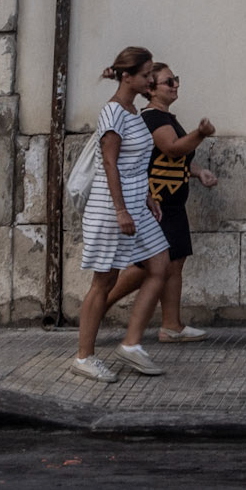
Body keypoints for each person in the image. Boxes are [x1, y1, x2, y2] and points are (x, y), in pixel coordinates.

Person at [73, 46, 172, 382]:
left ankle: (131, 345)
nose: (150, 81)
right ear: (127, 76)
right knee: (103, 282)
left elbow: (134, 163)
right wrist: (120, 210)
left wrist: (146, 196)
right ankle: (84, 357)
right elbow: (110, 162)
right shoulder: (114, 112)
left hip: (136, 205)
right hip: (110, 208)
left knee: (160, 264)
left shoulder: (132, 110)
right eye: (145, 75)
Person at [104, 63, 216, 342]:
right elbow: (172, 148)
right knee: (147, 266)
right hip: (158, 204)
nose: (175, 85)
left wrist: (197, 171)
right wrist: (200, 134)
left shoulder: (164, 117)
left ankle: (171, 325)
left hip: (171, 204)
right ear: (151, 89)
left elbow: (170, 160)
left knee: (174, 263)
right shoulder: (153, 118)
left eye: (175, 79)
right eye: (169, 82)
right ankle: (97, 306)